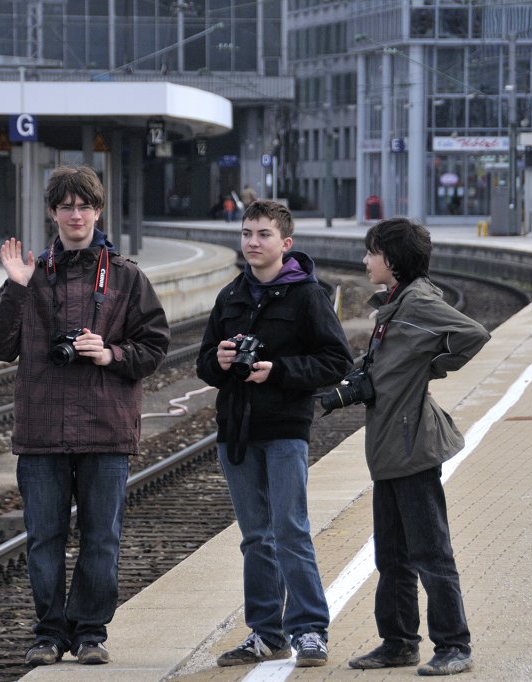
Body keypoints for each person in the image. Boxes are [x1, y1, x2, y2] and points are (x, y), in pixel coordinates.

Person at [0, 165, 170, 667]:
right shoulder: (32, 274)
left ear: (98, 211)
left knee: (101, 538)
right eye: (67, 206)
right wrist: (15, 287)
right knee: (44, 538)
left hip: (106, 428)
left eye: (85, 206)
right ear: (53, 213)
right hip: (41, 430)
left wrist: (110, 354)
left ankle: (90, 633)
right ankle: (48, 633)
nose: (77, 214)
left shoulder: (126, 276)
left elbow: (154, 346)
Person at [196, 200, 353, 669]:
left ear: (285, 243)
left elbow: (336, 362)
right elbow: (204, 363)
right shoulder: (230, 297)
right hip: (236, 434)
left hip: (285, 430)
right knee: (254, 538)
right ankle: (266, 634)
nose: (252, 243)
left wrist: (277, 371)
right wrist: (220, 363)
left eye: (263, 235)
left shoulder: (309, 296)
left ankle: (308, 629)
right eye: (246, 234)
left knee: (290, 531)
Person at [348, 217, 490, 676]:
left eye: (371, 252)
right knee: (390, 556)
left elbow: (473, 334)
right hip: (389, 446)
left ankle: (454, 645)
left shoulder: (420, 300)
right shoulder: (394, 302)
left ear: (390, 259)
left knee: (431, 552)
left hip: (412, 445)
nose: (365, 260)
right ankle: (398, 642)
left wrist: (433, 365)